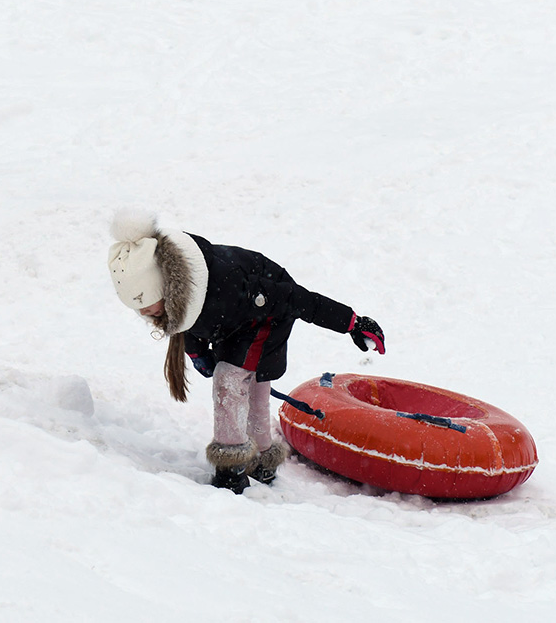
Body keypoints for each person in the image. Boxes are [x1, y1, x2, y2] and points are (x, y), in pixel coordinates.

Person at [107, 209, 385, 494]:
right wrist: (196, 351)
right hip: (234, 319)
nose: (144, 312)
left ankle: (232, 469)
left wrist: (351, 323)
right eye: (137, 306)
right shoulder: (178, 290)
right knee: (242, 379)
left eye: (147, 302)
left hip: (265, 314)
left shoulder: (230, 286)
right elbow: (184, 320)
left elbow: (298, 299)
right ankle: (262, 458)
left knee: (233, 380)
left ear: (164, 287)